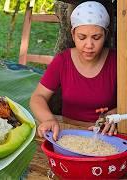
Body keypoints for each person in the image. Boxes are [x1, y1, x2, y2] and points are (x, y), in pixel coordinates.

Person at [30, 1, 117, 141]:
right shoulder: (63, 61)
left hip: (106, 136)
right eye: (82, 37)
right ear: (73, 34)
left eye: (96, 37)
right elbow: (38, 97)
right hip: (67, 133)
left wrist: (116, 115)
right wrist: (49, 119)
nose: (89, 45)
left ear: (105, 35)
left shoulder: (117, 62)